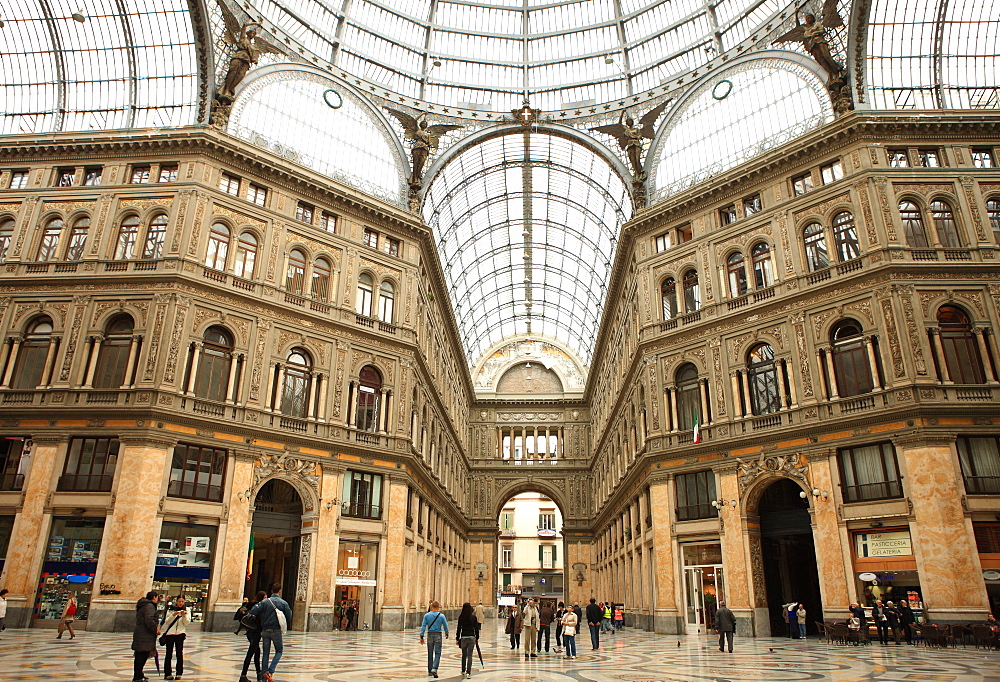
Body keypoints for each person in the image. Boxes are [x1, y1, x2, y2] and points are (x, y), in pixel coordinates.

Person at [249, 583, 292, 682]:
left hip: (265, 630)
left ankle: (264, 676)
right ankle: (270, 671)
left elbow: (253, 611)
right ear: (279, 591)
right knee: (279, 650)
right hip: (276, 630)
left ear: (271, 591)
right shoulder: (283, 603)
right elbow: (289, 616)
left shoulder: (265, 602)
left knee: (265, 653)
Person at [239, 591, 267, 682]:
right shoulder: (259, 607)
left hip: (249, 632)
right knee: (250, 654)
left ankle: (259, 674)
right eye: (265, 597)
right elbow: (260, 620)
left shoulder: (250, 604)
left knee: (257, 652)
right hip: (255, 632)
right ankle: (243, 675)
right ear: (262, 598)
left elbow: (242, 611)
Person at [131, 591, 159, 682]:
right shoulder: (149, 606)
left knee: (140, 655)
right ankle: (137, 676)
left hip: (141, 633)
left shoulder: (143, 605)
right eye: (157, 597)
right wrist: (155, 629)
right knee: (142, 655)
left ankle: (139, 674)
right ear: (154, 597)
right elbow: (149, 620)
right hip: (145, 635)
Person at [418, 599, 449, 678]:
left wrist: (421, 636)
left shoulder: (427, 615)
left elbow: (423, 626)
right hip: (438, 635)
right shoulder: (441, 616)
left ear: (431, 607)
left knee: (430, 653)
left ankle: (430, 670)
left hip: (430, 635)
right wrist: (446, 633)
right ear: (438, 607)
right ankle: (434, 668)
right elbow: (445, 625)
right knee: (438, 653)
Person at [161, 595, 189, 680]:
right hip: (170, 634)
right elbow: (167, 622)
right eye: (179, 601)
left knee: (179, 654)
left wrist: (184, 615)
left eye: (182, 602)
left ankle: (179, 673)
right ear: (176, 601)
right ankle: (167, 673)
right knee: (168, 653)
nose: (180, 603)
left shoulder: (187, 610)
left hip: (180, 634)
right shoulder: (170, 609)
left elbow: (187, 623)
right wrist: (173, 615)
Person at [456, 602, 479, 679]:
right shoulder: (473, 617)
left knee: (464, 654)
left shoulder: (461, 617)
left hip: (463, 637)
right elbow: (476, 628)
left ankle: (463, 670)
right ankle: (468, 672)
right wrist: (477, 637)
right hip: (472, 637)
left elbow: (459, 628)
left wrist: (457, 638)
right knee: (470, 655)